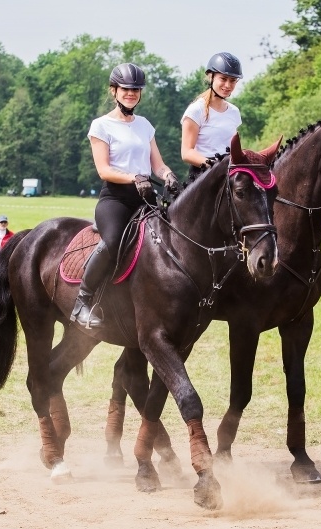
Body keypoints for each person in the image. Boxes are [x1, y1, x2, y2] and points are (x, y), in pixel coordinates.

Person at [73, 62, 180, 328]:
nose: (131, 94)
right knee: (112, 243)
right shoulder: (101, 125)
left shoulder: (145, 125)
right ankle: (82, 302)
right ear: (114, 91)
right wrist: (135, 177)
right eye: (126, 89)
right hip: (116, 200)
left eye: (136, 90)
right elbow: (104, 170)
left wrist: (168, 175)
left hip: (146, 198)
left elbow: (157, 164)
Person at [181, 52, 243, 181]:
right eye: (223, 79)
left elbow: (233, 148)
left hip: (228, 174)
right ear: (211, 77)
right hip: (203, 176)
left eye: (232, 81)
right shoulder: (196, 110)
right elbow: (187, 153)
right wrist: (215, 165)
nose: (228, 85)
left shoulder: (234, 112)